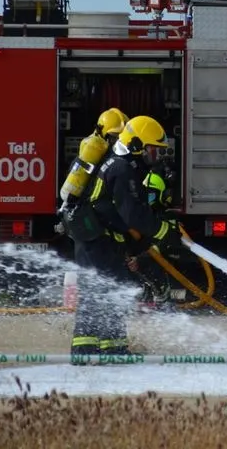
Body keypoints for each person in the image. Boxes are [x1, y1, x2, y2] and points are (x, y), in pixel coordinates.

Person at [67, 115, 183, 357]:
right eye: (153, 150)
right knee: (95, 290)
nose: (156, 157)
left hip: (102, 239)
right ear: (137, 145)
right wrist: (163, 230)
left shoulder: (117, 163)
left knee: (113, 288)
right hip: (95, 239)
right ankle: (84, 349)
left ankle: (114, 347)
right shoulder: (121, 169)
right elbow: (132, 213)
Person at [58, 108, 129, 213]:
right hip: (92, 211)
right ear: (105, 134)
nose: (119, 143)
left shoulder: (88, 148)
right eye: (115, 138)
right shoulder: (104, 155)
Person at [125, 170, 177, 308]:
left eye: (152, 195)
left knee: (152, 264)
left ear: (162, 195)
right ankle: (145, 293)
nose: (149, 199)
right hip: (145, 255)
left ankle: (162, 296)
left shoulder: (167, 216)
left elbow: (168, 241)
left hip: (162, 256)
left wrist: (142, 258)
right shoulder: (142, 215)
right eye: (147, 194)